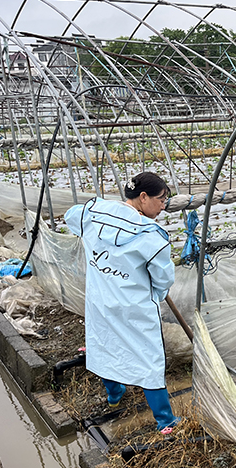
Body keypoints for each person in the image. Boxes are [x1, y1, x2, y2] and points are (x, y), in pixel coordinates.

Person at [65, 171, 180, 433]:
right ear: (143, 197)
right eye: (161, 199)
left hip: (100, 301)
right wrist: (155, 296)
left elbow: (71, 216)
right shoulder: (151, 236)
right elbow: (162, 279)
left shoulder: (94, 212)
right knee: (149, 358)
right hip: (134, 308)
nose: (163, 205)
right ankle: (166, 422)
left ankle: (114, 395)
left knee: (106, 346)